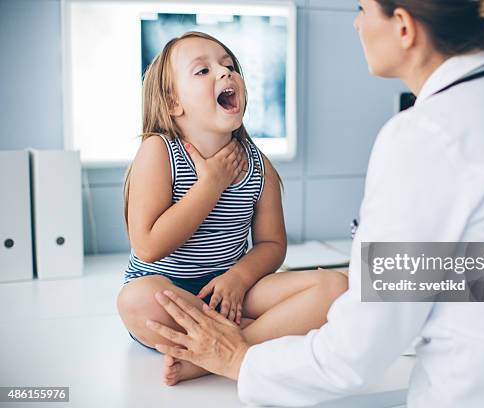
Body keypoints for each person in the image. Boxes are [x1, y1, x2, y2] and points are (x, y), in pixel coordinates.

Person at [145, 1, 484, 407]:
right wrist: (402, 276)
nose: (355, 24)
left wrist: (237, 358)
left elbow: (352, 355)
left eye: (363, 9)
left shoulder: (422, 133)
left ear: (403, 27)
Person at [116, 31, 347, 386]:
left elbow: (272, 245)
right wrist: (211, 184)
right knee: (135, 299)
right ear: (173, 101)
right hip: (168, 291)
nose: (225, 73)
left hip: (231, 291)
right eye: (202, 71)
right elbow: (148, 246)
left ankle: (220, 354)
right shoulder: (158, 153)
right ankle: (251, 340)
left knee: (334, 286)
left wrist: (238, 278)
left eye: (228, 66)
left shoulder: (259, 167)